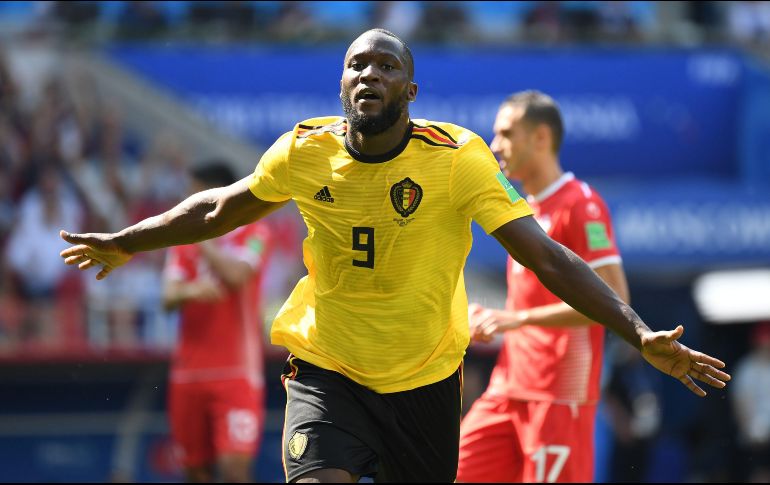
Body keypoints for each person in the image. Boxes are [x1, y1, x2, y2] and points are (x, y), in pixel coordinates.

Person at [59, 29, 730, 483]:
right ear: (342, 83)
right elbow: (217, 207)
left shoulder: (458, 159)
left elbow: (551, 259)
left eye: (387, 66)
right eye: (358, 64)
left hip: (425, 381)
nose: (369, 73)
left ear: (411, 91)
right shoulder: (303, 150)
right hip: (329, 368)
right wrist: (126, 239)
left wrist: (638, 330)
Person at [456, 90, 628, 482]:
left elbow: (615, 301)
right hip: (508, 387)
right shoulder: (522, 209)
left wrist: (514, 320)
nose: (494, 145)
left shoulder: (581, 204)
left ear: (541, 137)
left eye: (506, 133)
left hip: (558, 393)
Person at [162, 161, 273, 483]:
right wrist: (191, 290)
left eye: (192, 194)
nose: (185, 201)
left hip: (237, 373)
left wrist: (202, 240)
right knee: (195, 473)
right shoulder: (181, 242)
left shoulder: (255, 233)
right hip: (188, 372)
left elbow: (237, 276)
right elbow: (167, 297)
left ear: (213, 195)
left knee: (235, 471)